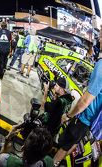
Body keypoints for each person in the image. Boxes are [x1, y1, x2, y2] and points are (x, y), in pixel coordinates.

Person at [53, 28, 102, 166]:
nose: (99, 39)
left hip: (84, 117)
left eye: (101, 36)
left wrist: (68, 115)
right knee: (72, 143)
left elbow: (85, 100)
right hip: (91, 121)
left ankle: (54, 162)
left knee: (64, 145)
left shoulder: (101, 65)